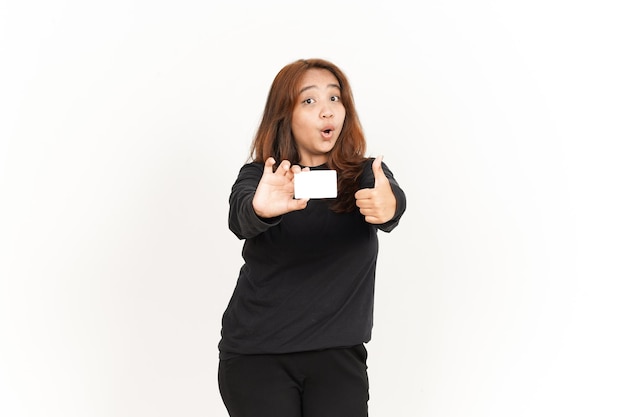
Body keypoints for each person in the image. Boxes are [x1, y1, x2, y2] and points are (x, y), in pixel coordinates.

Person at [218, 58, 407, 417]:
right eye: (309, 101)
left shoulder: (365, 174)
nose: (327, 111)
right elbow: (240, 216)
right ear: (284, 114)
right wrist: (260, 207)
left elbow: (389, 199)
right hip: (257, 356)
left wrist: (388, 205)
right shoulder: (263, 174)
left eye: (335, 99)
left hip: (338, 357)